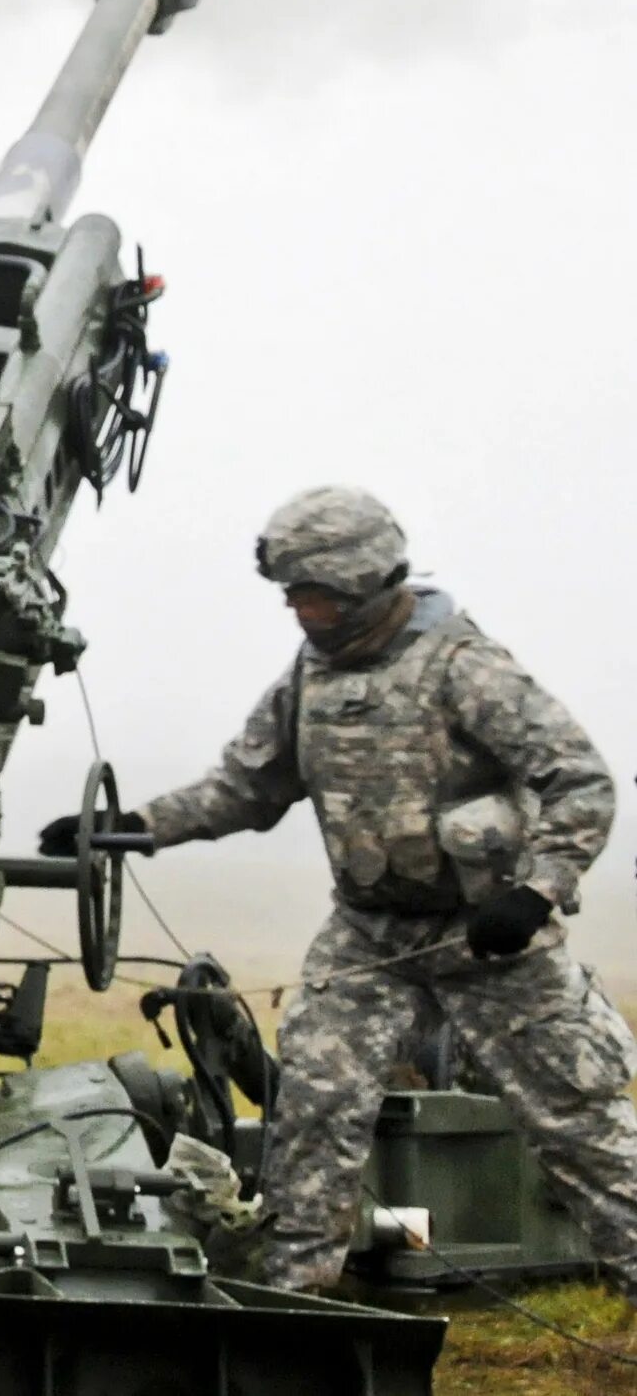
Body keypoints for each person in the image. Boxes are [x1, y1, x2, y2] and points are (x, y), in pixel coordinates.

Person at [48, 484, 637, 1297]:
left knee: (582, 1127)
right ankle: (291, 1313)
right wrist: (135, 824)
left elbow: (582, 782)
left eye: (315, 597)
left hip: (490, 941)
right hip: (368, 939)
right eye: (293, 596)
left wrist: (537, 890)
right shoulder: (309, 676)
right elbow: (245, 786)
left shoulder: (468, 669)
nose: (300, 611)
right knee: (313, 1120)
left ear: (367, 584)